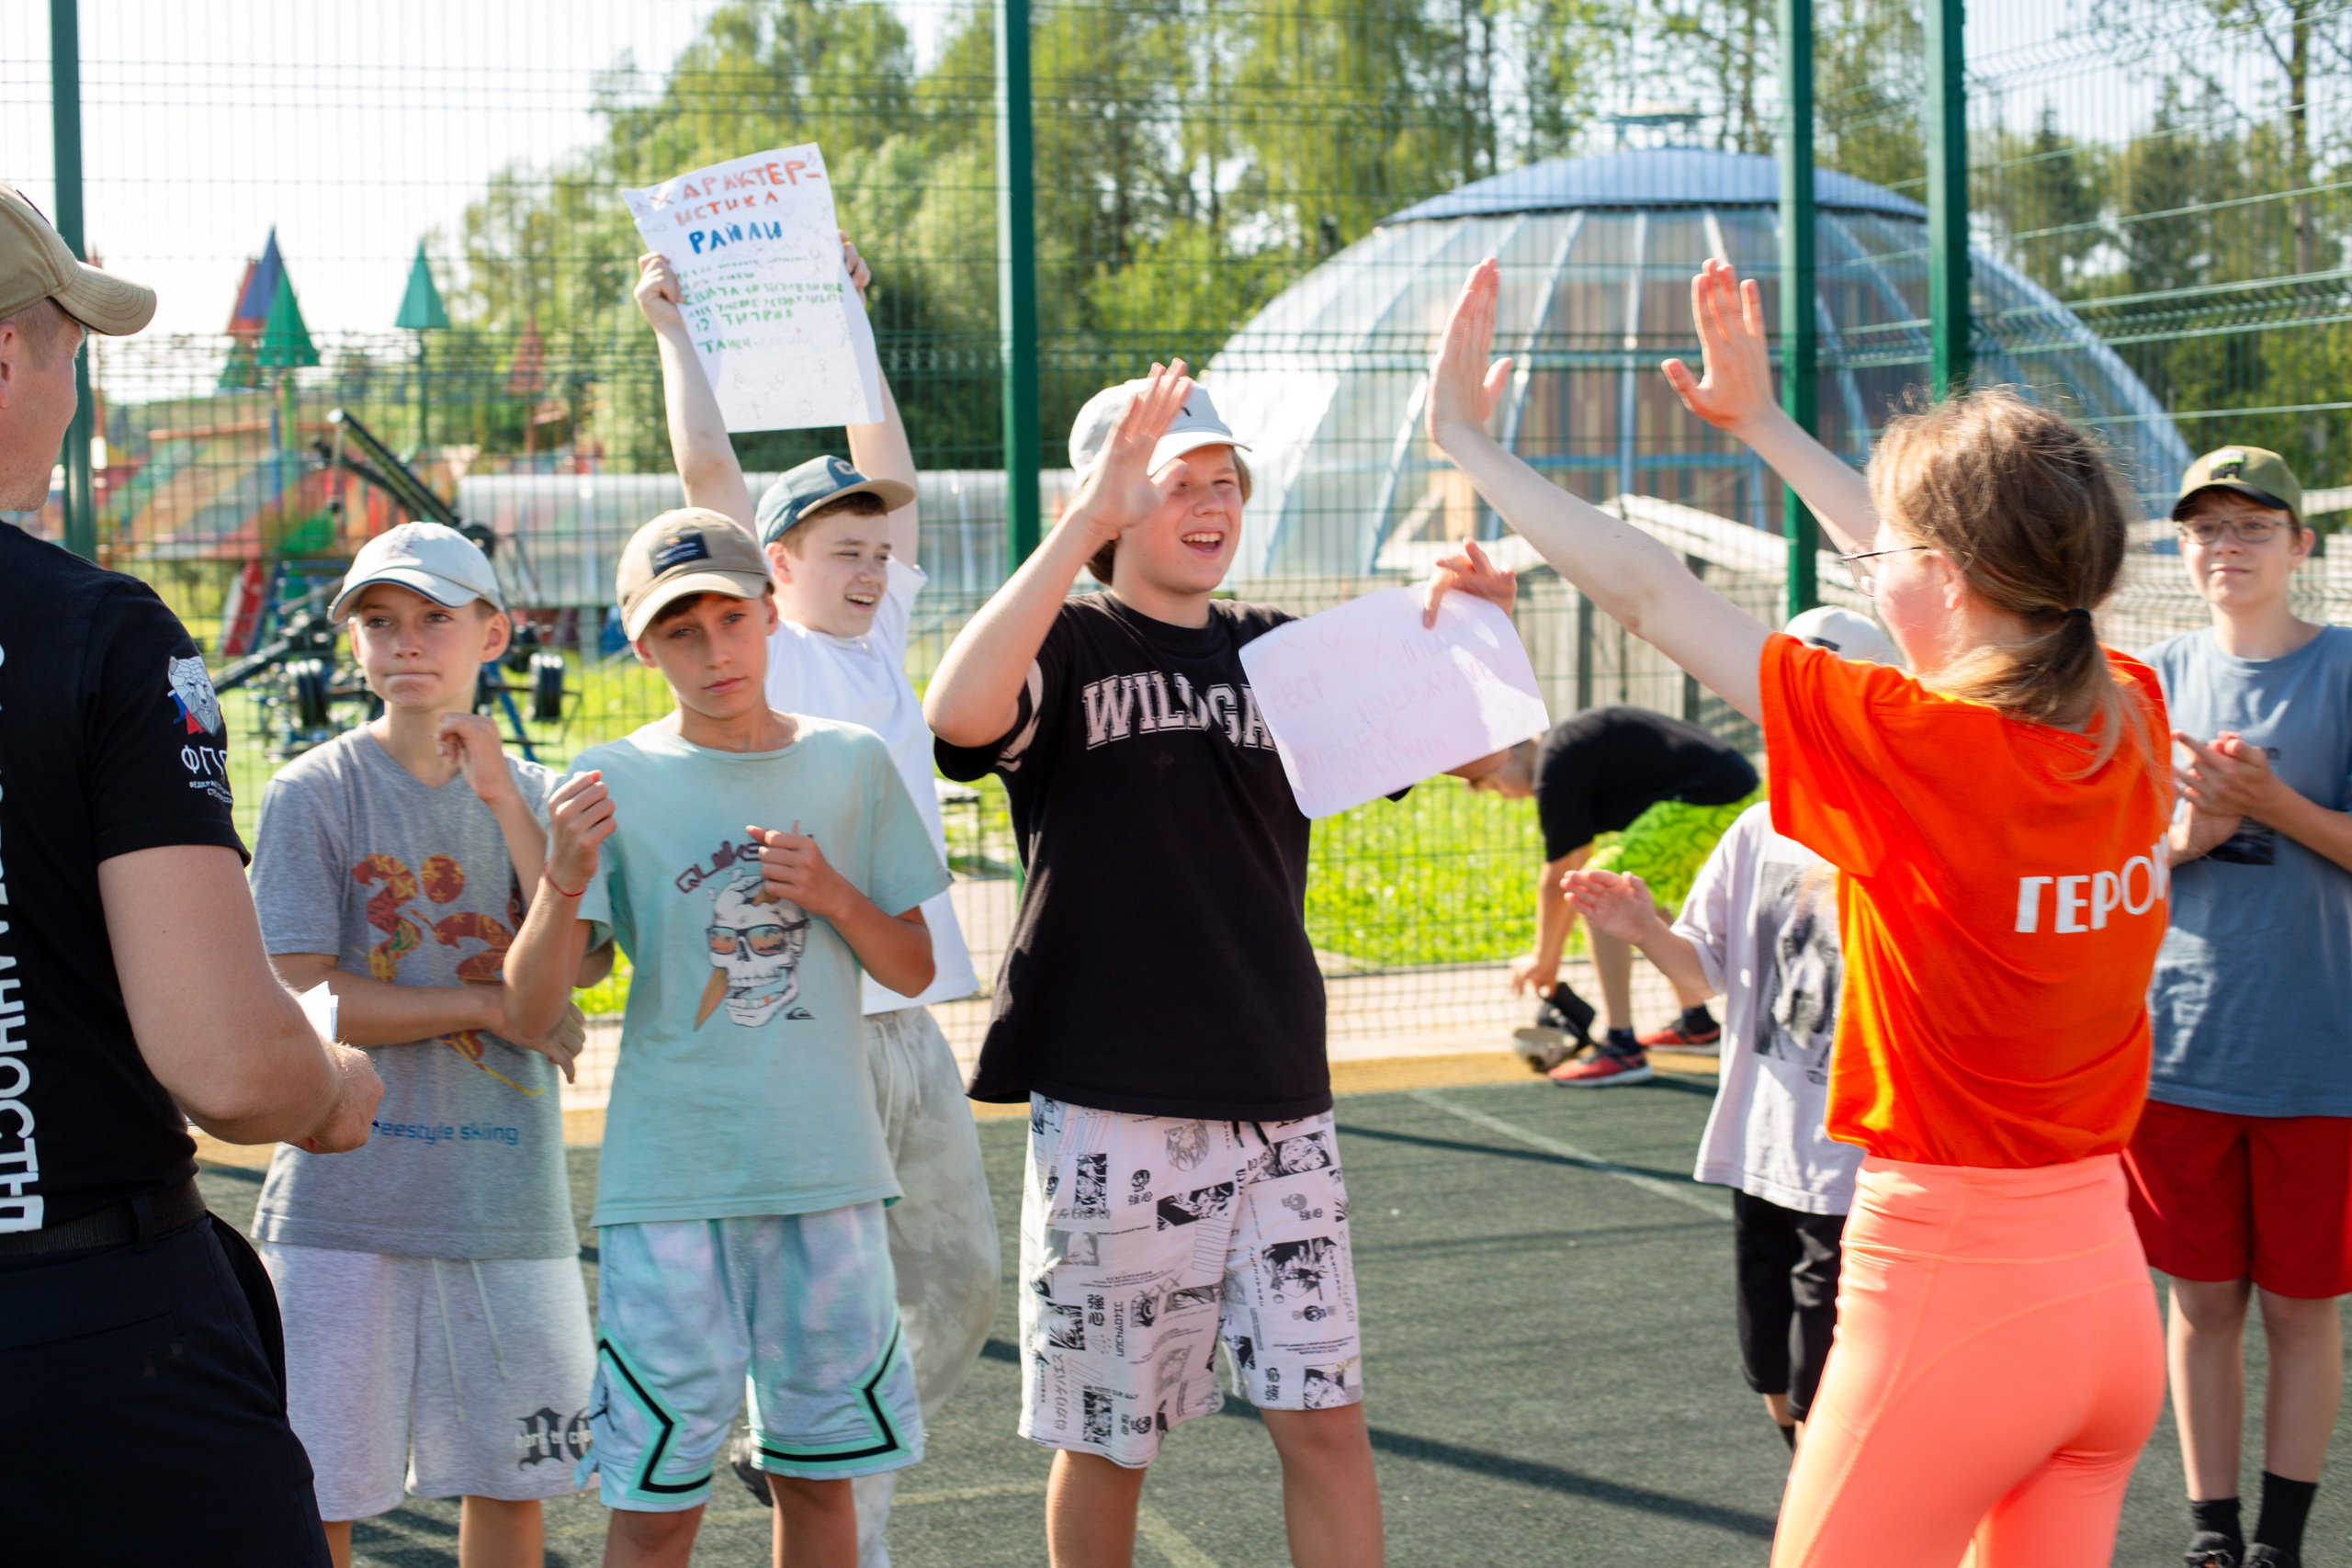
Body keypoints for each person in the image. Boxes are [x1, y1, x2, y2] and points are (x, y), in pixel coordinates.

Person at [1431, 254, 2177, 1565]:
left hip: (1955, 1283)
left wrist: (1467, 445)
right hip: (2105, 1298)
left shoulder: (1920, 746)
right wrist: (1767, 428)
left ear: (1940, 576)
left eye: (1892, 550)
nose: (1870, 563)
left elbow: (1652, 591)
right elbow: (1989, 587)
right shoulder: (2126, 708)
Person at [923, 366, 1511, 1568]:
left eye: (1224, 480)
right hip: (1115, 1103)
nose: (1209, 500)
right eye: (1172, 480)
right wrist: (1077, 525)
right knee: (1112, 1435)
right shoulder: (1070, 641)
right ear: (1109, 505)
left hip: (1280, 1095)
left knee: (1325, 1416)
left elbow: (1494, 765)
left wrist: (1485, 628)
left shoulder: (1283, 652)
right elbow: (961, 713)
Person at [0, 183, 383, 1564]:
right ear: (3, 354)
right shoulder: (96, 635)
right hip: (88, 1344)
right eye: (67, 345)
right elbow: (228, 1063)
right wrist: (331, 1087)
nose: (73, 382)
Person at [635, 241, 998, 1565]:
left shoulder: (883, 636)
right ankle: (828, 1487)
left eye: (875, 545)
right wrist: (678, 332)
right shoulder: (773, 647)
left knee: (959, 1289)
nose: (869, 561)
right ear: (770, 570)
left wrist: (844, 307)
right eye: (840, 547)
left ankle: (791, 1439)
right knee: (841, 1323)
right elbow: (710, 483)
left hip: (911, 1026)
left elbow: (885, 460)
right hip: (817, 1034)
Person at [502, 507, 950, 1568]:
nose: (714, 652)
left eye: (731, 620)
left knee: (820, 1490)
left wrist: (835, 894)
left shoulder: (849, 763)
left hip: (827, 1181)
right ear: (641, 645)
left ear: (768, 616)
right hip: (672, 1192)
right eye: (681, 633)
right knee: (655, 1508)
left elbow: (914, 968)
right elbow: (529, 1015)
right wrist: (561, 878)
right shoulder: (611, 781)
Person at [246, 523, 605, 1568]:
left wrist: (501, 797)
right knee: (318, 1494)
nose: (406, 643)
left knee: (509, 1486)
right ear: (354, 644)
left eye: (434, 619)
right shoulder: (314, 789)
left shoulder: (538, 793)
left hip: (506, 1205)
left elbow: (567, 969)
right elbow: (305, 996)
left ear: (493, 633)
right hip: (340, 1205)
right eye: (380, 621)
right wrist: (489, 1010)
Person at [1562, 606, 1895, 1454]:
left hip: (1856, 1152)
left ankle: (1828, 1511)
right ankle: (1809, 1487)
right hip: (1765, 1136)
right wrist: (1643, 925)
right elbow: (1702, 972)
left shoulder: (1902, 823)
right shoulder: (1758, 827)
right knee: (1771, 1366)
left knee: (1833, 1360)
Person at [2130, 446, 2352, 1568]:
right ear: (2182, 548)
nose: (2227, 546)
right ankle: (2212, 1532)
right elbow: (2109, 863)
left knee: (2301, 1309)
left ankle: (2281, 1539)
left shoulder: (2349, 671)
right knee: (2201, 1304)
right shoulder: (2148, 679)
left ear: (2299, 546)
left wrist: (2272, 802)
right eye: (2206, 528)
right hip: (2181, 1051)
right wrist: (2189, 837)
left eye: (2253, 527)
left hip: (2321, 1055)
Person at [1460, 703, 1758, 1083]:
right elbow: (1573, 858)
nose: (1506, 797)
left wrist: (1544, 959)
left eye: (1495, 786)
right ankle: (1696, 1023)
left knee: (1600, 891)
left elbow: (1560, 879)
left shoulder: (1554, 764)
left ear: (1507, 757)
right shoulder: (1562, 751)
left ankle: (1622, 1047)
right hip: (1732, 791)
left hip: (1713, 796)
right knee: (1637, 898)